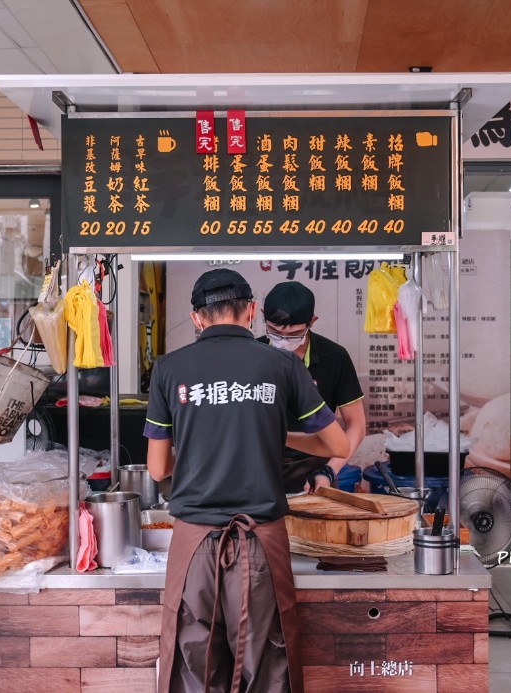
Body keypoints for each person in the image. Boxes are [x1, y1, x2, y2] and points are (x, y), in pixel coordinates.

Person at [144, 268, 349, 692]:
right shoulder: (283, 365)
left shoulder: (169, 369)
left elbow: (158, 469)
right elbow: (338, 445)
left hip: (194, 544)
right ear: (252, 311)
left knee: (192, 664)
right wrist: (274, 435)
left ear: (196, 318)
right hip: (261, 542)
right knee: (266, 664)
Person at [261, 280, 366, 493]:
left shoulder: (334, 358)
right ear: (262, 314)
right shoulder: (252, 355)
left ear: (312, 321)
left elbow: (356, 424)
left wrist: (330, 470)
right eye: (274, 331)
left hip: (315, 469)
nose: (282, 341)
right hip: (260, 466)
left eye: (293, 334)